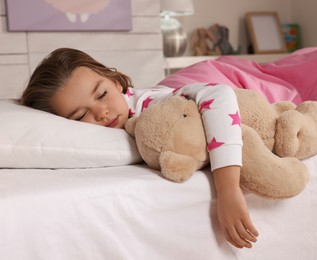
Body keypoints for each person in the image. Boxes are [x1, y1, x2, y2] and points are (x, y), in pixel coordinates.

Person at [20, 48, 259, 249]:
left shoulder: (150, 107)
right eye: (82, 115)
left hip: (214, 78)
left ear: (115, 83)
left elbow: (219, 94)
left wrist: (228, 190)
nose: (101, 112)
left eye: (103, 94)